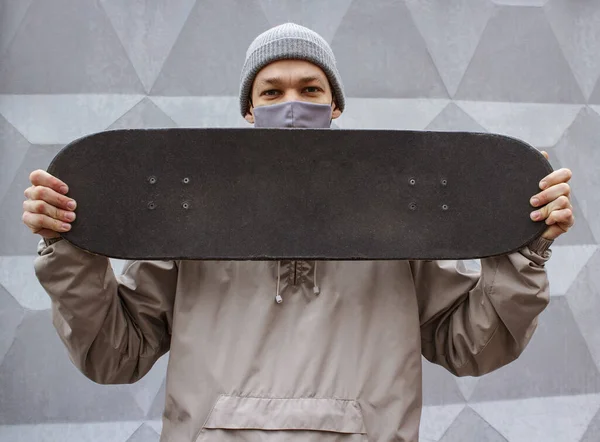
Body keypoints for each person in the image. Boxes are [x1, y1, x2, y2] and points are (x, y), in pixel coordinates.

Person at [24, 23, 574, 442]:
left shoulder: (397, 219)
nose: (292, 107)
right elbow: (116, 355)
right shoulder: (191, 216)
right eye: (272, 92)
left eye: (310, 90)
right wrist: (70, 246)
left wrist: (521, 249)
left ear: (334, 106)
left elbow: (468, 347)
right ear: (248, 110)